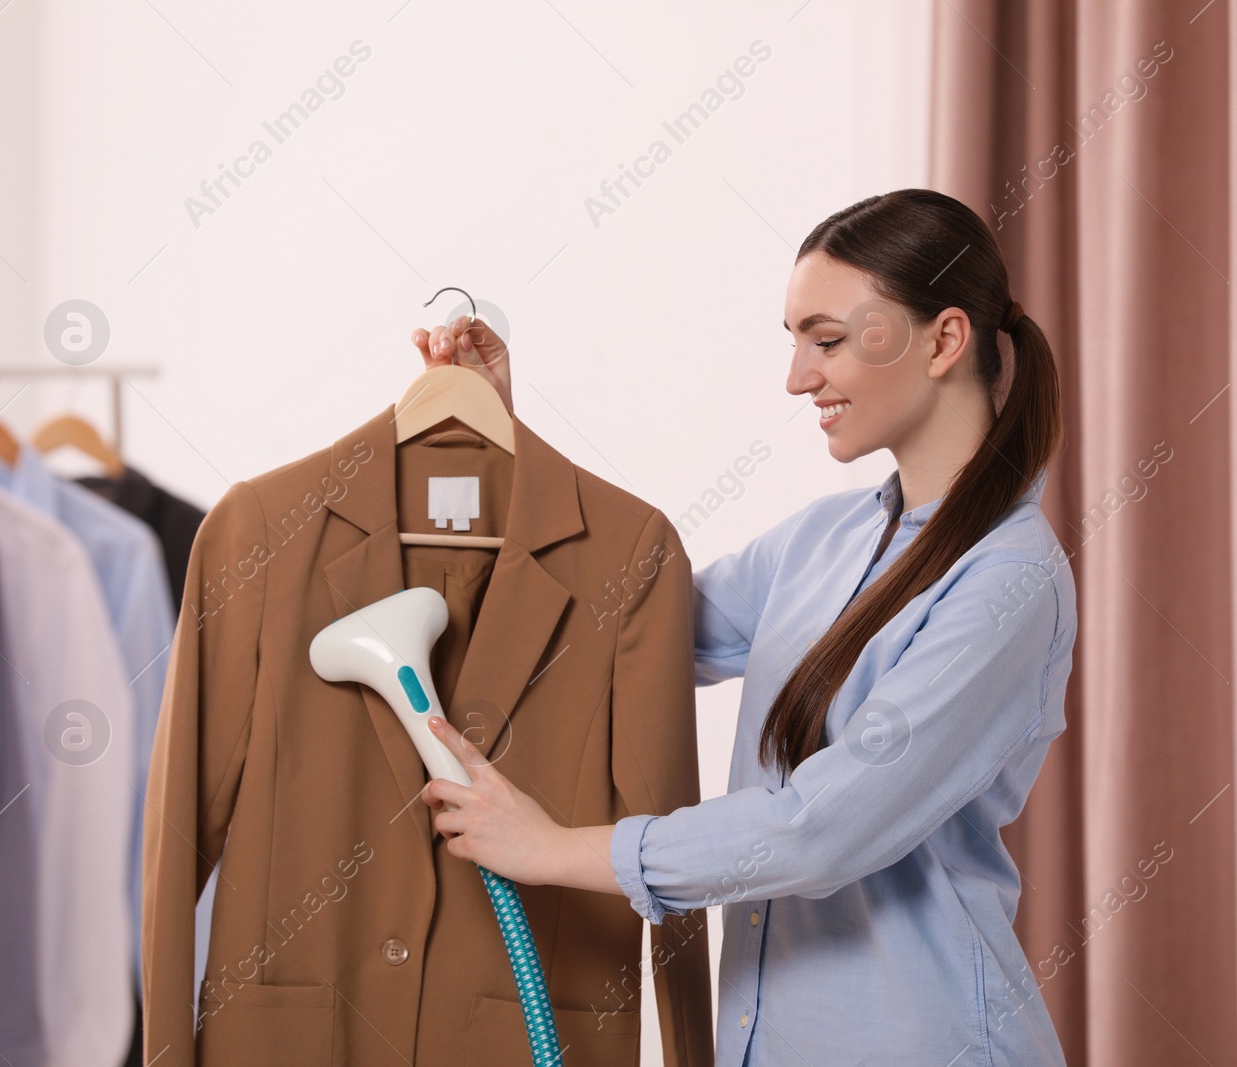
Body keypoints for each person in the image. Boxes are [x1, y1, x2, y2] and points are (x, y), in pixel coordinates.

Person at [410, 188, 1075, 1066]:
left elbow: (823, 827)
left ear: (944, 340)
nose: (798, 378)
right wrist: (503, 432)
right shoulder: (821, 541)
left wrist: (558, 849)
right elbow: (626, 629)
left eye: (827, 341)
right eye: (795, 342)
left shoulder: (1010, 582)